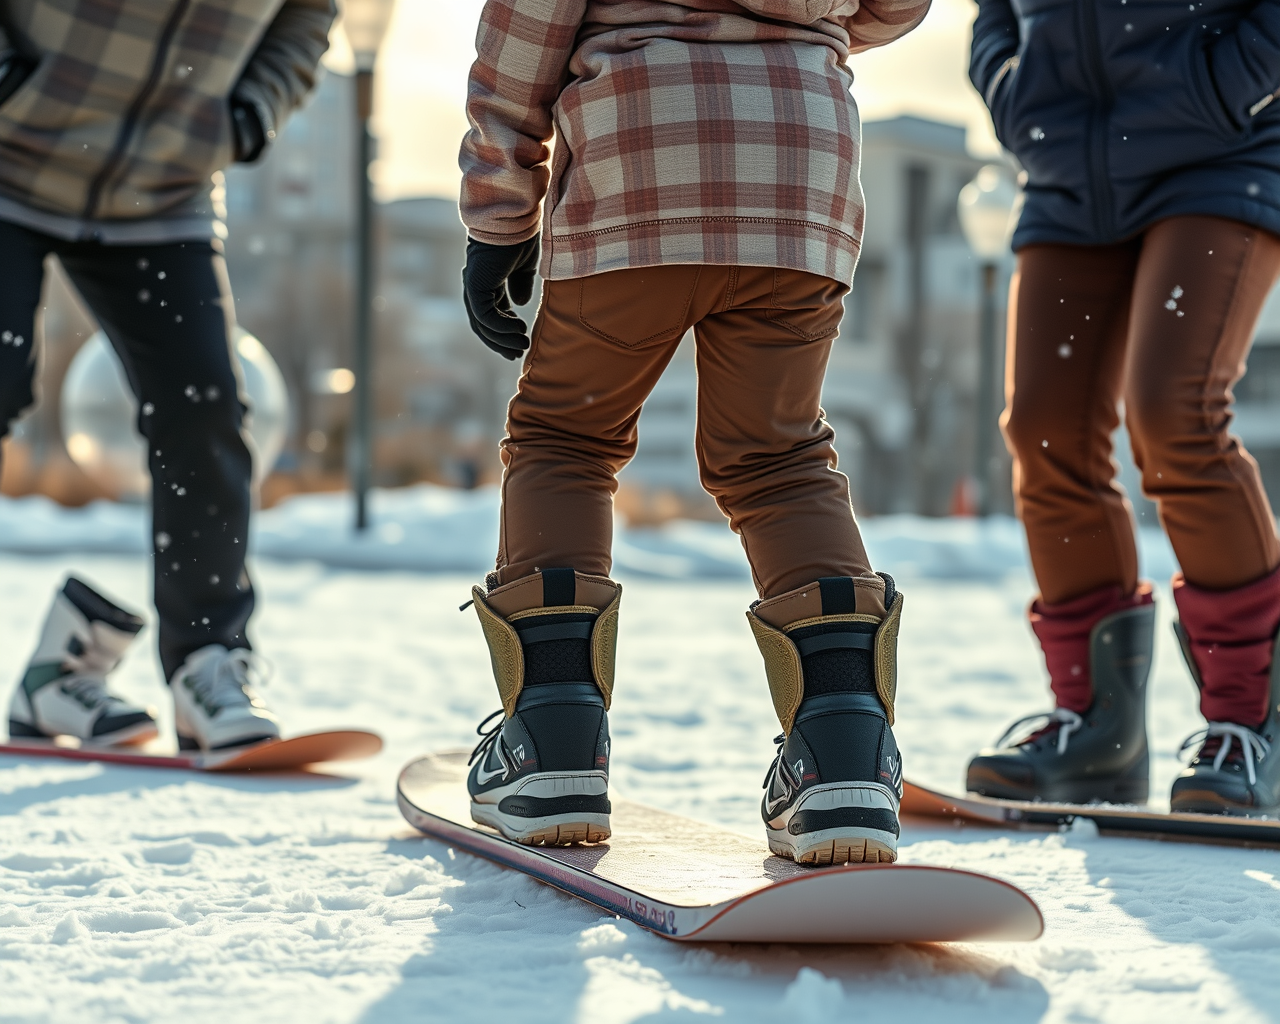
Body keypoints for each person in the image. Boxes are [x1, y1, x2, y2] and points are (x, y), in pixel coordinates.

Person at [456, 0, 928, 864]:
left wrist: (498, 214)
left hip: (643, 143)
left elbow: (525, 30)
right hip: (801, 154)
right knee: (780, 457)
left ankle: (552, 743)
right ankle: (844, 754)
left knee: (568, 436)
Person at [964, 0, 1280, 815]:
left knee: (1175, 413)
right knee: (1044, 431)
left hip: (1219, 148)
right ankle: (1097, 730)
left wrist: (1228, 84)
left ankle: (1252, 724)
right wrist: (1015, 88)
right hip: (1068, 163)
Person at [2, 0, 335, 752]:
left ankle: (205, 666)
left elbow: (311, 12)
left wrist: (249, 115)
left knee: (207, 410)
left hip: (160, 192)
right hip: (9, 153)